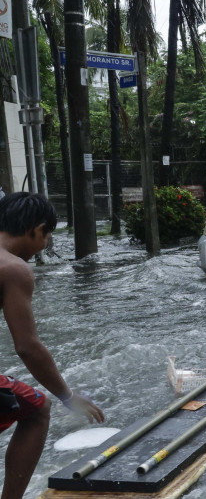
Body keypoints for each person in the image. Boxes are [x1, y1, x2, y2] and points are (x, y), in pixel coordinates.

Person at [0, 192, 104, 499]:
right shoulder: (13, 268)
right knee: (37, 408)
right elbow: (28, 346)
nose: (44, 244)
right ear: (37, 228)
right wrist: (67, 396)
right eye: (47, 236)